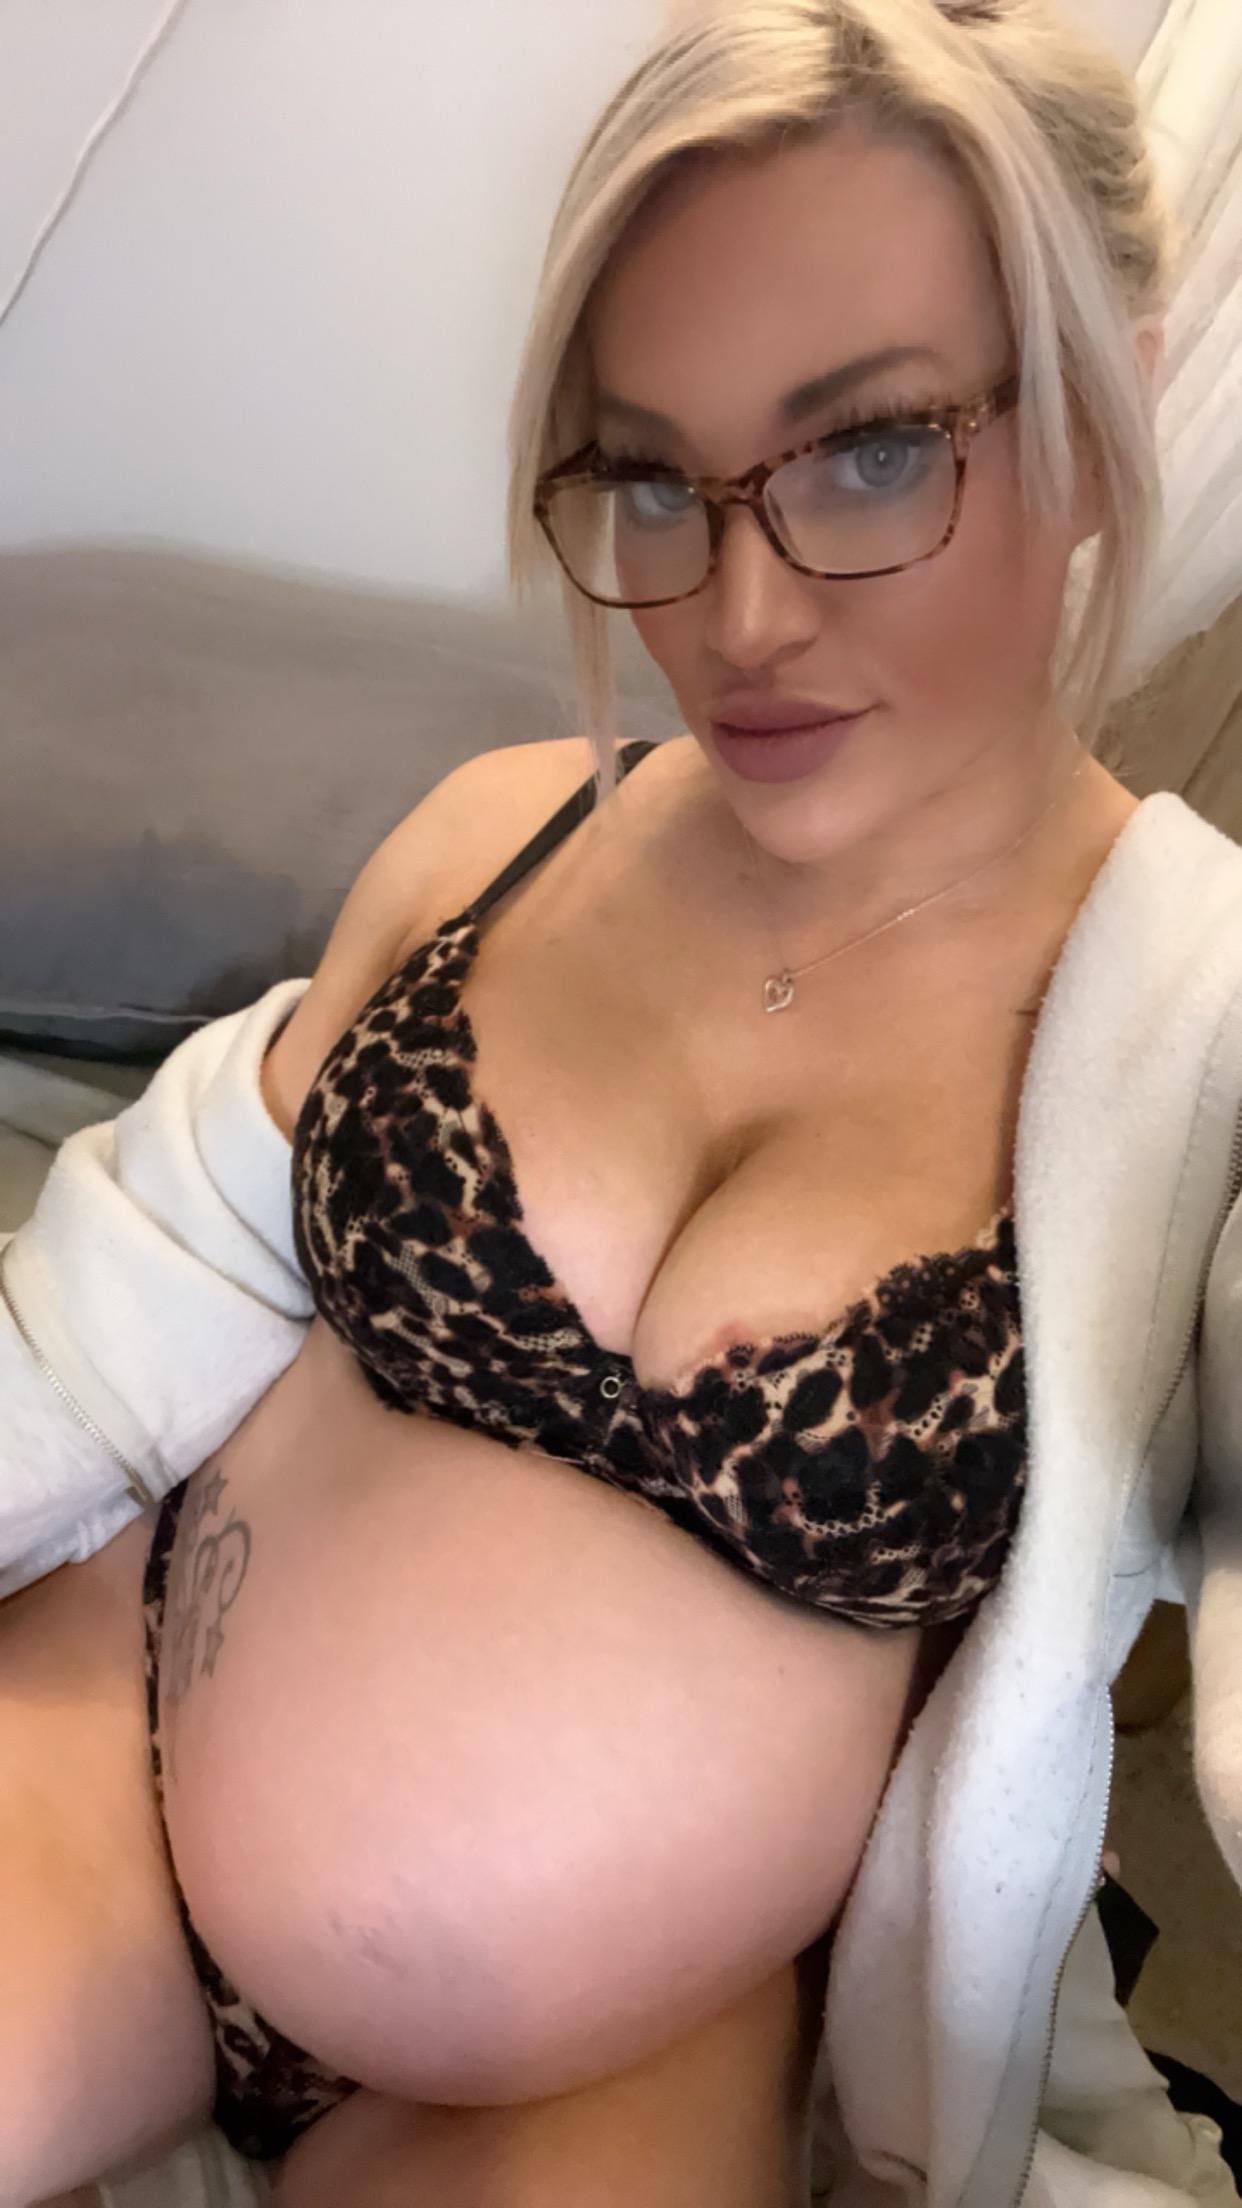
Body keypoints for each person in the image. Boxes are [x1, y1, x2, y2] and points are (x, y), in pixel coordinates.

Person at [3, 0, 1242, 2202]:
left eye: (872, 451)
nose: (736, 612)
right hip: (103, 1721)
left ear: (1101, 405)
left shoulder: (1201, 1037)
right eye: (653, 480)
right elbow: (167, 1248)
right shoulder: (509, 826)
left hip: (605, 2067)